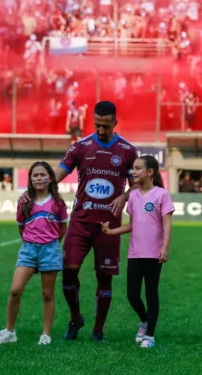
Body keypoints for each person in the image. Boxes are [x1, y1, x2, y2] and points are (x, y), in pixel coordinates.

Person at [46, 100, 137, 342]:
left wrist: (125, 195)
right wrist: (41, 187)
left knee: (104, 276)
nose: (101, 130)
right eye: (97, 125)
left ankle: (98, 329)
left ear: (115, 123)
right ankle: (76, 318)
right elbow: (59, 173)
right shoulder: (80, 147)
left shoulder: (128, 151)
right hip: (80, 221)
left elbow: (137, 186)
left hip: (109, 227)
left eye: (106, 126)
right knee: (68, 271)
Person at [0, 162, 68, 346]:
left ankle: (46, 335)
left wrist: (51, 244)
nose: (39, 178)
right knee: (15, 290)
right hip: (28, 250)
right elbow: (21, 227)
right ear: (30, 179)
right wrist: (31, 242)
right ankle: (9, 332)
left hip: (50, 249)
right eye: (35, 175)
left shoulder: (58, 202)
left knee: (47, 294)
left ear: (50, 178)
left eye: (42, 175)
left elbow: (63, 228)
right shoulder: (24, 200)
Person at [101, 155, 173, 348]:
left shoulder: (161, 195)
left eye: (138, 168)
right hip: (135, 253)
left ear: (150, 172)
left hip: (154, 253)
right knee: (132, 295)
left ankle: (149, 336)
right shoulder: (132, 196)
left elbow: (167, 223)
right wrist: (112, 231)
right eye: (133, 168)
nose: (134, 172)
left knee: (151, 294)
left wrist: (164, 248)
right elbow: (132, 224)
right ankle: (145, 319)